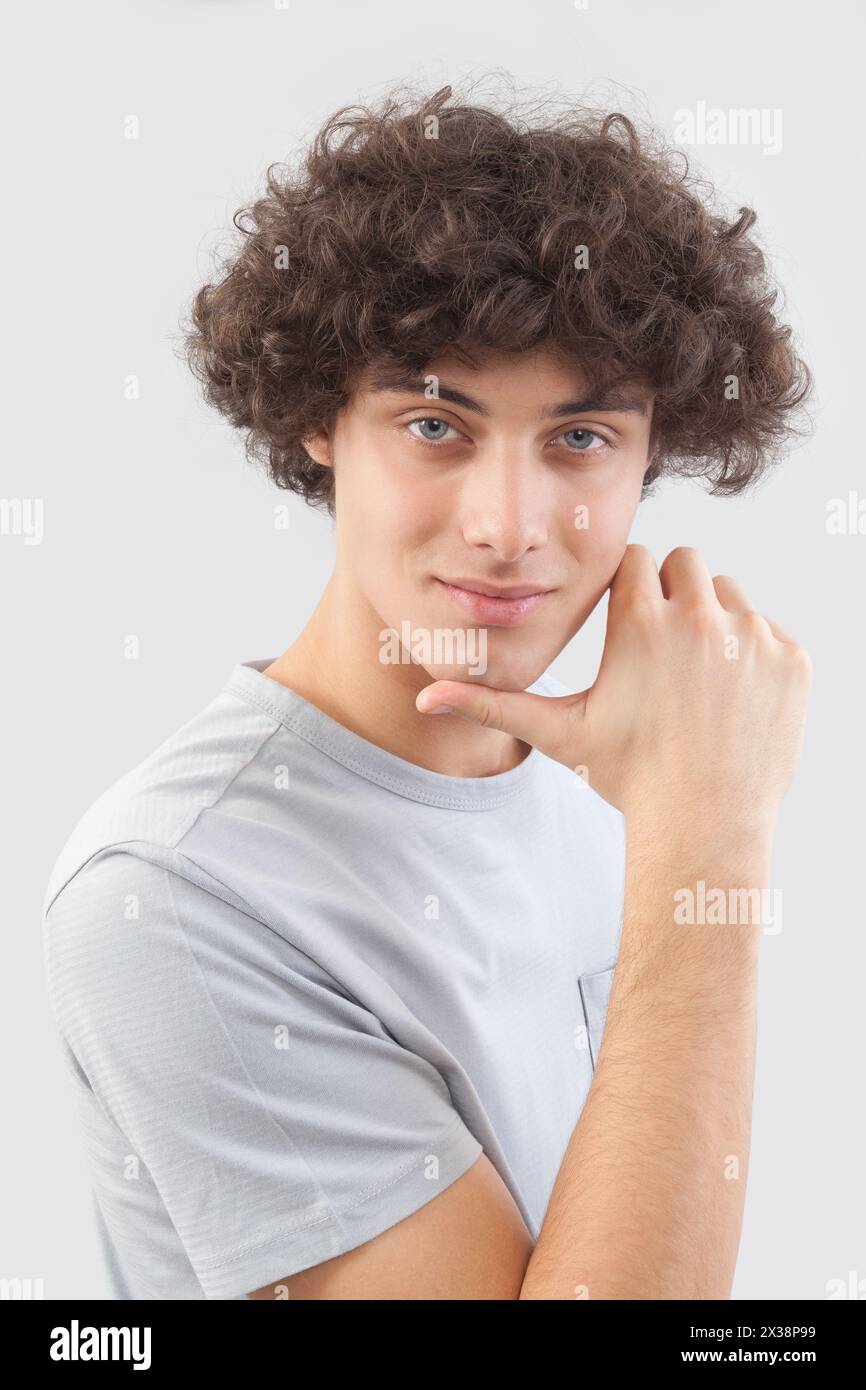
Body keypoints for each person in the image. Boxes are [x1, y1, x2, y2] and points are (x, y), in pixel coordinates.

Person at [41, 80, 813, 1300]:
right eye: (435, 426)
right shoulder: (177, 895)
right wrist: (713, 842)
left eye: (579, 439)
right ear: (318, 423)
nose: (508, 529)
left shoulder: (633, 786)